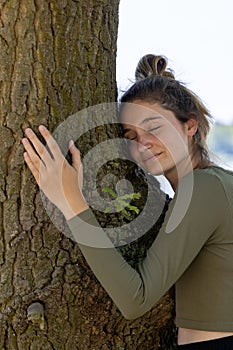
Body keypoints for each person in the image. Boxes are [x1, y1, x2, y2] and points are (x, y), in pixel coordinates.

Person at [22, 54, 233, 349]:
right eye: (130, 136)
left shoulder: (204, 188)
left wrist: (70, 201)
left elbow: (137, 299)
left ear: (190, 126)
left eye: (154, 128)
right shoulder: (216, 185)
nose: (142, 144)